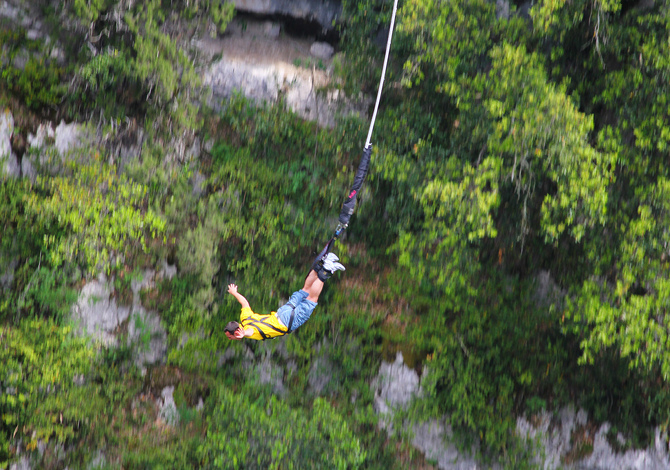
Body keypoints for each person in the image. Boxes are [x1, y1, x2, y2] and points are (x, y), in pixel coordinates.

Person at [224, 253, 345, 341]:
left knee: (311, 300)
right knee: (305, 290)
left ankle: (326, 270)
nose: (230, 339)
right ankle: (323, 263)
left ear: (236, 332)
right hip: (282, 312)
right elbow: (244, 303)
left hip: (286, 322)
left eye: (230, 337)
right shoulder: (245, 318)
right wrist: (234, 293)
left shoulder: (249, 331)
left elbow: (249, 332)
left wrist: (243, 334)